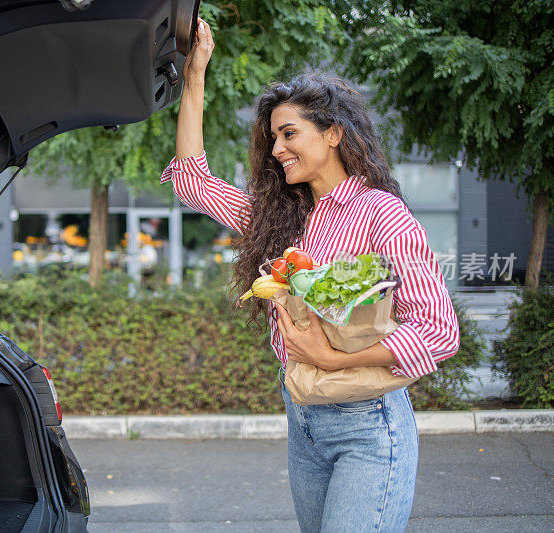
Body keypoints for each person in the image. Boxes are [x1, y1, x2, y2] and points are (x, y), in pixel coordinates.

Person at [161, 18, 460, 532]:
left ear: (334, 133)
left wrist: (330, 355)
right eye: (273, 137)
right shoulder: (283, 217)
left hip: (367, 425)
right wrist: (194, 77)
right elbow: (193, 181)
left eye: (289, 133)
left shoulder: (382, 213)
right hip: (303, 415)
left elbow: (437, 331)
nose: (276, 149)